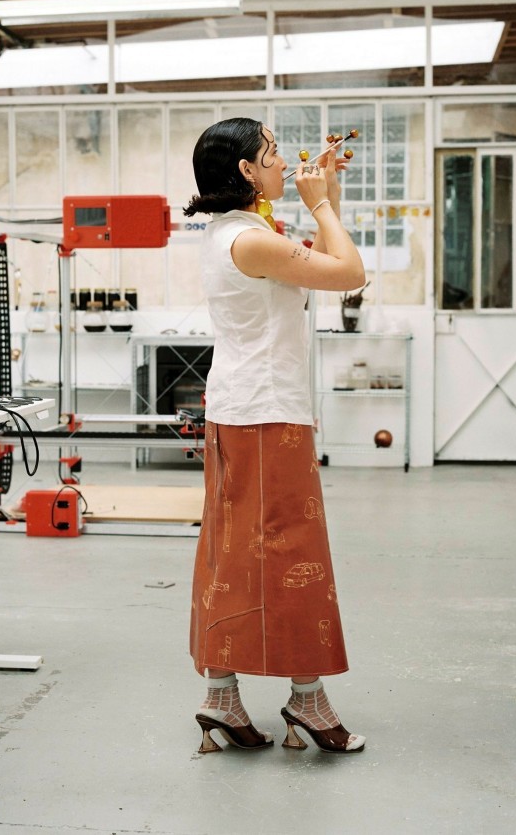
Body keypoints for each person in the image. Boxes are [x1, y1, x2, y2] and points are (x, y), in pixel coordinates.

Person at [183, 117, 367, 755]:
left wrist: (327, 201)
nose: (285, 163)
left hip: (243, 407)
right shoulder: (251, 240)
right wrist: (320, 204)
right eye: (272, 155)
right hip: (265, 413)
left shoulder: (239, 232)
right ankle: (307, 699)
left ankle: (223, 694)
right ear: (245, 172)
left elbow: (323, 263)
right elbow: (349, 273)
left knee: (232, 549)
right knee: (292, 552)